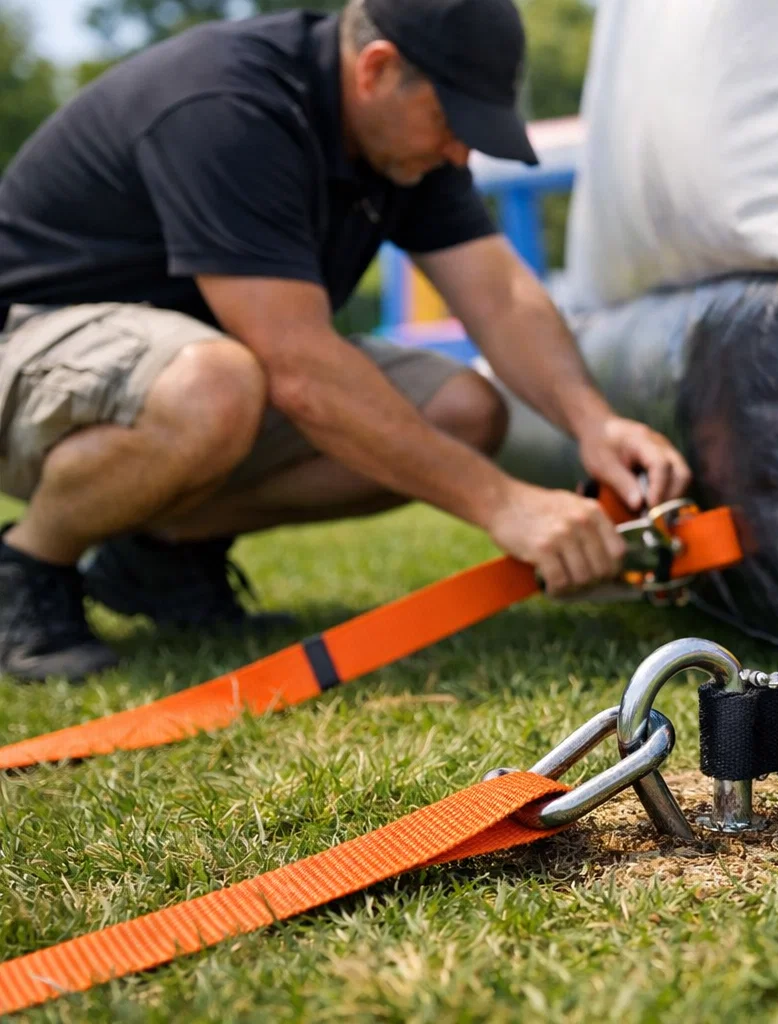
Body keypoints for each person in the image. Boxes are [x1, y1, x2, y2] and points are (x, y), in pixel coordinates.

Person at [0, 0, 691, 682]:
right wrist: (505, 505)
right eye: (453, 120)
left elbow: (501, 296)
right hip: (29, 346)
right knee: (214, 383)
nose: (462, 149)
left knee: (463, 411)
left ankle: (161, 551)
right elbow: (297, 367)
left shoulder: (406, 149)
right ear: (377, 68)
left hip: (186, 372)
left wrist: (593, 423)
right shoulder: (228, 106)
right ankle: (28, 567)